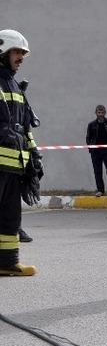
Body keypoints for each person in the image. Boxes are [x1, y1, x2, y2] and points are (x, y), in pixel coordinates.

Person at [0, 29, 39, 277]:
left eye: (23, 53)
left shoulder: (15, 85)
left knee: (10, 218)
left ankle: (7, 262)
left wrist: (34, 157)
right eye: (17, 51)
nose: (21, 57)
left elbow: (24, 127)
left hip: (14, 165)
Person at [85, 104, 107, 197]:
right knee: (97, 171)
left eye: (102, 112)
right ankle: (100, 190)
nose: (100, 114)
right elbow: (88, 138)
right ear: (96, 113)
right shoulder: (91, 125)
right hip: (95, 152)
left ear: (105, 113)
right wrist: (91, 149)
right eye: (98, 112)